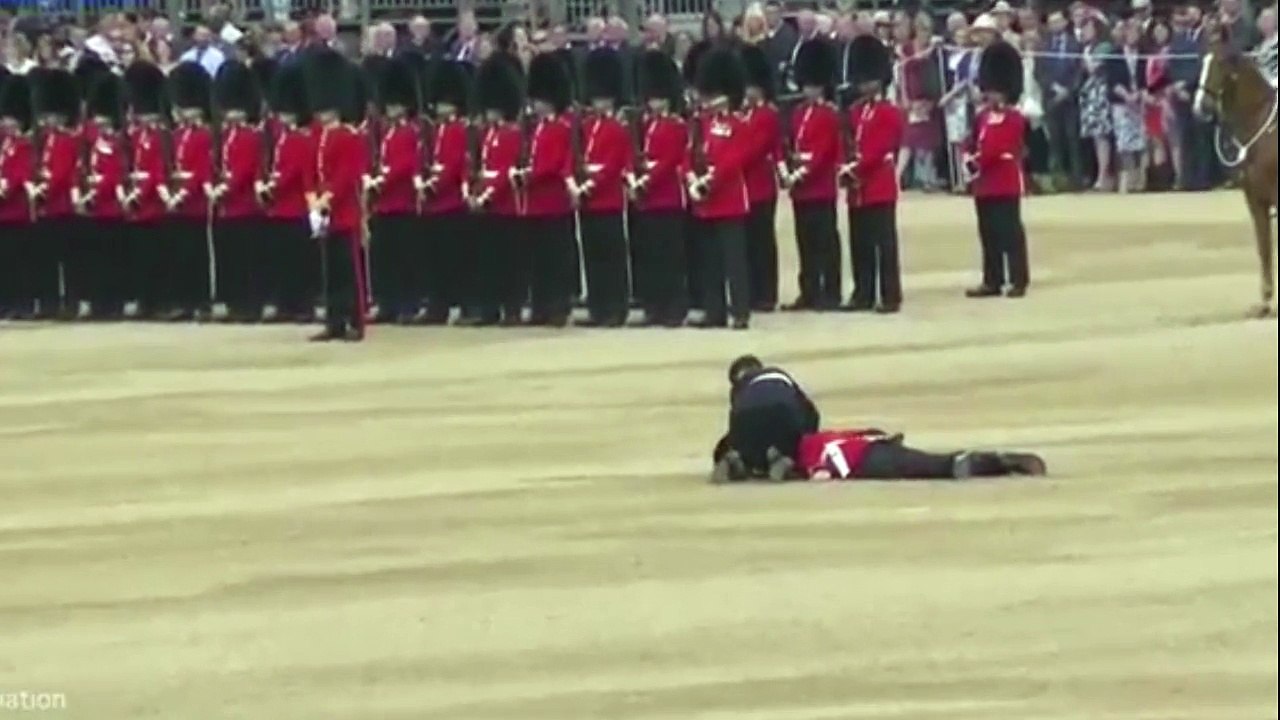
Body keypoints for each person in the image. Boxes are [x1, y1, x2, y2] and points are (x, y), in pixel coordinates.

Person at [686, 47, 752, 330]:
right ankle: (715, 310)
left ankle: (739, 311)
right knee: (710, 261)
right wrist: (691, 178)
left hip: (729, 200)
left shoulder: (737, 123)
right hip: (705, 201)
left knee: (734, 261)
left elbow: (733, 160)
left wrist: (709, 181)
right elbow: (688, 154)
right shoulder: (700, 124)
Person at [305, 50, 368, 341]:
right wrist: (311, 200)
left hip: (344, 211)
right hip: (323, 212)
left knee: (349, 269)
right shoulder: (317, 135)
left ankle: (356, 320)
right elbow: (310, 170)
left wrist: (326, 198)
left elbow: (347, 174)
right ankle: (335, 320)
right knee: (329, 270)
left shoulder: (349, 135)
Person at [712, 428, 1047, 482]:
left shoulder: (800, 451)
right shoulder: (808, 438)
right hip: (868, 450)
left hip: (864, 459)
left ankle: (999, 462)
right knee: (934, 465)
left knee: (939, 467)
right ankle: (999, 462)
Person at [841, 35, 904, 314]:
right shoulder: (855, 111)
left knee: (884, 243)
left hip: (878, 184)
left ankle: (890, 294)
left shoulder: (889, 112)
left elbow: (879, 149)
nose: (864, 85)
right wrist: (846, 166)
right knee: (860, 243)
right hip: (858, 188)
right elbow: (847, 142)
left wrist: (853, 169)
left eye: (869, 79)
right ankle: (863, 291)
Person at [964, 40, 1030, 299]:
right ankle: (992, 279)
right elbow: (972, 141)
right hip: (984, 183)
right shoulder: (981, 117)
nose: (989, 95)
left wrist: (977, 160)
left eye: (994, 91)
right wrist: (968, 157)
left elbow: (1000, 147)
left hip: (1004, 182)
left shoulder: (1014, 118)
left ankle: (1018, 279)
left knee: (1010, 232)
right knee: (988, 232)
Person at [572, 48, 633, 327]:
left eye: (604, 98)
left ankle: (616, 307)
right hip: (586, 200)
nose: (599, 103)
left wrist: (588, 186)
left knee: (612, 256)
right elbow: (578, 157)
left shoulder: (617, 128)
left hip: (606, 199)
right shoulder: (587, 126)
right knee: (593, 255)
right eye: (596, 98)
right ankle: (598, 306)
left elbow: (612, 165)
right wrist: (576, 183)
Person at [516, 52, 576, 327]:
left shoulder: (561, 127)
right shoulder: (536, 128)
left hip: (553, 201)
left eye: (540, 100)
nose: (536, 105)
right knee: (537, 259)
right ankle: (540, 305)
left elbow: (553, 164)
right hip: (535, 202)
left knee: (555, 258)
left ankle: (558, 306)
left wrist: (529, 174)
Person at [630, 50, 689, 328]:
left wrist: (645, 180)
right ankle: (654, 306)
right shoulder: (646, 124)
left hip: (667, 197)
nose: (654, 103)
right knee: (651, 256)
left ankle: (673, 308)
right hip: (648, 199)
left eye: (659, 98)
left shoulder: (676, 125)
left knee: (671, 256)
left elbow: (669, 161)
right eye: (652, 98)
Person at [781, 39, 841, 312]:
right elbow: (794, 145)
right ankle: (809, 290)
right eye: (806, 85)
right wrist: (790, 167)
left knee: (825, 241)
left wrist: (801, 171)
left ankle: (830, 291)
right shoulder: (799, 113)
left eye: (814, 85)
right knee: (805, 241)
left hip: (820, 186)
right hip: (801, 188)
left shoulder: (829, 114)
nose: (809, 90)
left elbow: (823, 151)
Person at [464, 54, 523, 326]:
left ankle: (511, 308)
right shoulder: (486, 135)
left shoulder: (511, 135)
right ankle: (489, 308)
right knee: (486, 260)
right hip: (484, 204)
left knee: (508, 261)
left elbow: (505, 171)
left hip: (504, 204)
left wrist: (486, 196)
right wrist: (471, 191)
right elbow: (476, 166)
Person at [364, 57, 424, 324]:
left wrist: (380, 180)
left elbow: (405, 165)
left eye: (397, 105)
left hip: (402, 202)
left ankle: (407, 304)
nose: (392, 109)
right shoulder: (385, 132)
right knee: (384, 257)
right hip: (384, 204)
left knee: (405, 257)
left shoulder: (410, 132)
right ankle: (387, 302)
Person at [257, 60, 316, 323]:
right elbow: (267, 162)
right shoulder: (279, 135)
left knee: (298, 261)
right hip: (278, 207)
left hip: (295, 206)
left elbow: (294, 171)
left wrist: (272, 186)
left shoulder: (301, 137)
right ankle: (285, 302)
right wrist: (263, 182)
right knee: (280, 260)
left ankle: (302, 304)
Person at [210, 60, 266, 322]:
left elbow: (244, 170)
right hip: (226, 206)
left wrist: (224, 189)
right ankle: (234, 303)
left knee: (247, 259)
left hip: (243, 204)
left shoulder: (250, 135)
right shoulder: (226, 135)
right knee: (229, 258)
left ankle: (250, 305)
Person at [417, 60, 471, 324]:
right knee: (433, 259)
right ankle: (437, 305)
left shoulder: (459, 130)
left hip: (449, 202)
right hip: (432, 204)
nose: (441, 108)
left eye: (446, 104)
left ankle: (455, 303)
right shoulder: (434, 130)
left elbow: (453, 164)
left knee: (453, 259)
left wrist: (433, 185)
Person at [160, 62, 214, 321]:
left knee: (196, 255)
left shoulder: (204, 135)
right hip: (176, 202)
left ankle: (201, 302)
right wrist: (169, 194)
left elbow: (202, 171)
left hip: (194, 203)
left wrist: (181, 195)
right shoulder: (177, 134)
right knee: (179, 254)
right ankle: (184, 301)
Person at [712, 354, 821, 482]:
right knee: (793, 435)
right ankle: (782, 456)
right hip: (782, 411)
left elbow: (736, 423)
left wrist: (726, 449)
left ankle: (738, 457)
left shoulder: (739, 390)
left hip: (744, 418)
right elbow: (811, 413)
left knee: (747, 440)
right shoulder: (779, 375)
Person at [26, 68, 81, 319]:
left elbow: (62, 173)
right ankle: (48, 303)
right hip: (44, 207)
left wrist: (42, 187)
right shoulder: (44, 139)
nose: (48, 120)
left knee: (67, 260)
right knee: (44, 259)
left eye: (52, 115)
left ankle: (70, 303)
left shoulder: (67, 140)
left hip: (60, 205)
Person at [76, 73, 128, 319]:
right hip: (93, 207)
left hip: (112, 207)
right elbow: (82, 164)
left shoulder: (118, 138)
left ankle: (113, 303)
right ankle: (97, 302)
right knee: (93, 259)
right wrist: (81, 191)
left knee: (113, 258)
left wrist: (97, 190)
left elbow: (116, 171)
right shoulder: (90, 134)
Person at [120, 61, 170, 320]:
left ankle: (158, 301)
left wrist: (140, 193)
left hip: (153, 205)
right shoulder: (136, 136)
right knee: (139, 257)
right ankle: (144, 300)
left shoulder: (160, 135)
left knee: (156, 256)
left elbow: (158, 169)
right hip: (137, 207)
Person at [738, 44, 782, 313]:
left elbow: (755, 149)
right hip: (745, 187)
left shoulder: (767, 115)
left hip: (761, 187)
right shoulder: (745, 114)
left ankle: (767, 293)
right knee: (749, 243)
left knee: (763, 242)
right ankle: (754, 290)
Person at [0, 75, 35, 320]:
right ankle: (7, 302)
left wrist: (5, 188)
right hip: (3, 212)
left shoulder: (24, 144)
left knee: (19, 261)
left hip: (16, 210)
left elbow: (21, 174)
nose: (6, 123)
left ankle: (22, 304)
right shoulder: (5, 143)